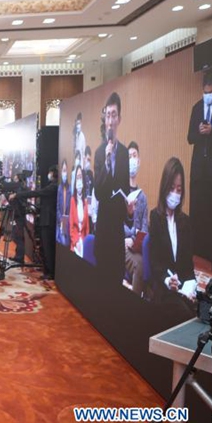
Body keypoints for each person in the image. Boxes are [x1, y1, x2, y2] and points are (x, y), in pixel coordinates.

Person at [149, 158, 196, 306]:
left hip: (183, 291)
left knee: (203, 311)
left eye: (179, 189)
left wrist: (191, 286)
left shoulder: (185, 221)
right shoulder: (155, 217)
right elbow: (155, 262)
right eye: (172, 187)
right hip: (164, 292)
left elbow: (188, 266)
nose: (175, 193)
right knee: (184, 313)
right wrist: (168, 280)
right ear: (164, 187)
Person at [94, 92, 129, 282]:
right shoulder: (100, 153)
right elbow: (99, 193)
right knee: (102, 280)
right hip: (103, 227)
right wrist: (107, 165)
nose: (110, 120)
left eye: (113, 115)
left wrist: (129, 211)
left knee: (116, 278)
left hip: (117, 229)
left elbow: (126, 190)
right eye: (107, 115)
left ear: (119, 119)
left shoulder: (124, 153)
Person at [188, 71, 212, 269]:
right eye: (205, 93)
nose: (208, 97)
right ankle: (196, 253)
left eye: (211, 94)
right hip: (198, 170)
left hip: (211, 170)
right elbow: (189, 137)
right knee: (197, 212)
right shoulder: (197, 108)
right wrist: (199, 132)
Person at [13, 165, 59, 279]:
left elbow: (37, 193)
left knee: (48, 248)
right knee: (45, 247)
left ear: (53, 174)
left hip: (49, 221)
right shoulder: (52, 186)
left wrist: (17, 195)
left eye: (50, 173)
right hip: (46, 220)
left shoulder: (54, 187)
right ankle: (47, 270)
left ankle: (50, 273)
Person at [124, 142, 149, 296]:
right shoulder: (120, 191)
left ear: (139, 161)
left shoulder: (142, 196)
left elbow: (145, 227)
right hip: (122, 244)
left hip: (137, 245)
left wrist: (136, 237)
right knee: (139, 265)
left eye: (134, 156)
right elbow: (118, 224)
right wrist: (131, 235)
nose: (132, 160)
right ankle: (133, 304)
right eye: (129, 157)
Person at [69, 165, 89, 258]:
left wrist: (85, 243)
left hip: (84, 243)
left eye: (81, 177)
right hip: (75, 243)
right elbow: (71, 226)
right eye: (77, 177)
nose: (79, 180)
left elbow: (87, 228)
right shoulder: (72, 200)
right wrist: (76, 242)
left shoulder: (85, 202)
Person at [55, 159, 71, 247]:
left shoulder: (70, 189)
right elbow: (57, 207)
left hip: (68, 224)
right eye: (63, 171)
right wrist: (61, 220)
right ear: (61, 172)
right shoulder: (59, 189)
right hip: (59, 223)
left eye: (66, 171)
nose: (65, 173)